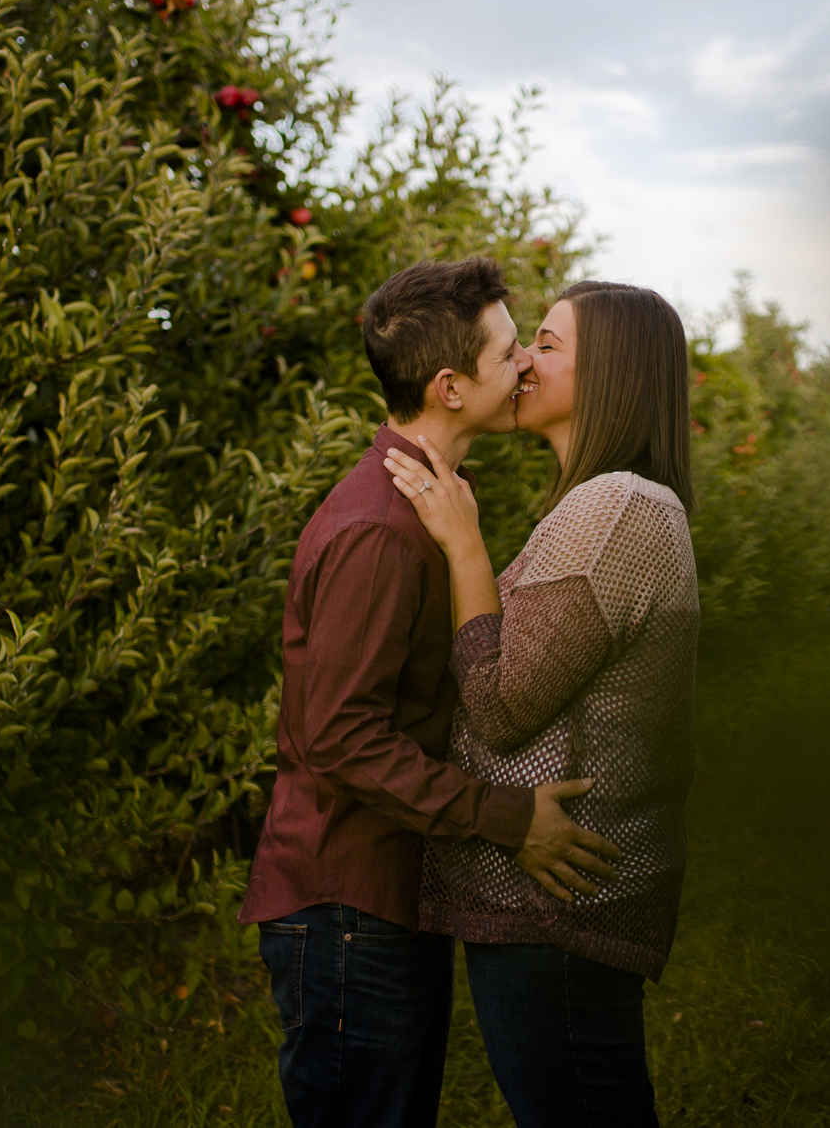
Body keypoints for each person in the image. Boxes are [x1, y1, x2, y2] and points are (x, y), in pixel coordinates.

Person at [238, 256, 623, 1128]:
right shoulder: (379, 527)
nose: (527, 363)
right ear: (450, 387)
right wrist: (507, 816)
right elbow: (340, 737)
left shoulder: (428, 504)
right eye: (510, 350)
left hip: (378, 901)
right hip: (345, 905)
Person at [383, 280, 698, 1128]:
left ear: (614, 378)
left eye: (547, 346)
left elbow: (502, 702)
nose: (522, 361)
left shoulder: (615, 506)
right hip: (554, 902)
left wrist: (464, 545)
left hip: (556, 904)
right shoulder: (608, 503)